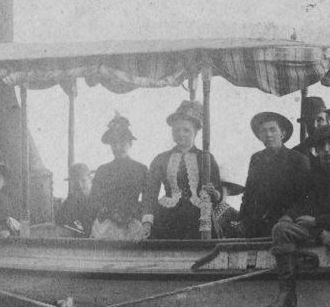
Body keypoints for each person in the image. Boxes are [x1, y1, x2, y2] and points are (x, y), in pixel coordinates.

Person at [266, 124, 330, 307]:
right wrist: (289, 217)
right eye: (321, 146)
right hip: (318, 229)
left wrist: (318, 222)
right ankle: (287, 290)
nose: (326, 150)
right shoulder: (311, 176)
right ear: (316, 151)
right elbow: (304, 205)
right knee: (281, 228)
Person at [142, 101, 224, 240]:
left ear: (195, 132)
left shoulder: (206, 158)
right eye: (176, 130)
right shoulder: (161, 159)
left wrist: (213, 193)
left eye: (186, 130)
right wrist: (147, 222)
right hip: (167, 217)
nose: (181, 134)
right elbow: (150, 193)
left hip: (199, 217)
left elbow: (218, 191)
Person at [234, 112, 311, 238]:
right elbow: (248, 194)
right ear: (259, 136)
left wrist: (289, 217)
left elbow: (305, 198)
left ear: (282, 133)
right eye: (263, 131)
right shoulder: (256, 159)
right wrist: (241, 219)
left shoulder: (297, 159)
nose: (268, 135)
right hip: (258, 224)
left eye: (273, 130)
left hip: (287, 224)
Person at [89, 113, 149, 241]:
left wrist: (131, 214)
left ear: (130, 144)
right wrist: (110, 213)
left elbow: (147, 199)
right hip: (106, 223)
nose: (117, 147)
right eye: (113, 144)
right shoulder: (102, 170)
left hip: (133, 223)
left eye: (122, 143)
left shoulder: (141, 169)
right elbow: (94, 199)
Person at [292, 96, 330, 165]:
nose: (314, 125)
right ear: (305, 124)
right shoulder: (295, 153)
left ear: (328, 122)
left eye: (319, 120)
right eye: (310, 120)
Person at [56, 163, 95, 236]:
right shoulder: (68, 203)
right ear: (71, 183)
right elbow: (59, 225)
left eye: (83, 180)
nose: (79, 185)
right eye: (75, 182)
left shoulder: (100, 200)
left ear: (91, 180)